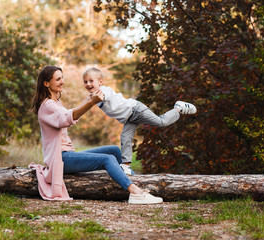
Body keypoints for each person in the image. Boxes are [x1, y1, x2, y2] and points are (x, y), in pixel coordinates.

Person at [30, 65, 162, 204]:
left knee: (114, 150)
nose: (62, 81)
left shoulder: (55, 103)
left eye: (62, 78)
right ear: (46, 83)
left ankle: (132, 182)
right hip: (61, 159)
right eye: (58, 79)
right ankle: (136, 192)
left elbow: (69, 115)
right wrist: (91, 102)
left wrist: (89, 100)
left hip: (67, 155)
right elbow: (66, 118)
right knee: (107, 159)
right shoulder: (48, 106)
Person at [82, 67, 197, 175]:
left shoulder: (103, 91)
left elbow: (102, 96)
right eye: (85, 82)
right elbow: (85, 104)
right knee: (125, 138)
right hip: (129, 118)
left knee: (161, 122)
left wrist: (91, 100)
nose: (88, 84)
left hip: (136, 110)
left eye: (91, 81)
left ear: (100, 82)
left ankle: (178, 108)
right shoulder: (93, 96)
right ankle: (126, 166)